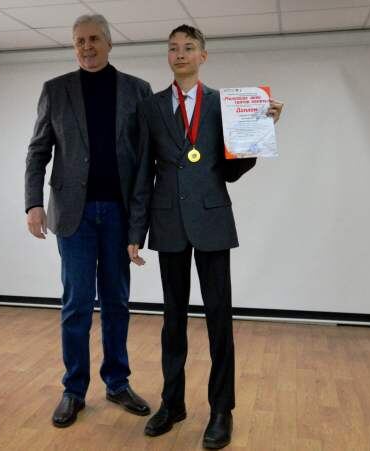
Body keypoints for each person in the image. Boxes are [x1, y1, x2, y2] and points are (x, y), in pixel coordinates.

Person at [127, 25, 283, 449]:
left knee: (219, 320)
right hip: (168, 223)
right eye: (173, 48)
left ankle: (221, 411)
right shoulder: (150, 107)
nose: (180, 54)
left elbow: (230, 171)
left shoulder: (224, 105)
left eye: (189, 47)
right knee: (172, 320)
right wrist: (135, 231)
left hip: (212, 221)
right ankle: (172, 403)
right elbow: (143, 172)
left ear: (203, 56)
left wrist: (260, 131)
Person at [24, 14, 153, 428]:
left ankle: (117, 382)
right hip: (73, 215)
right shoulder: (55, 89)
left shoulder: (137, 90)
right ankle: (74, 389)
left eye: (94, 39)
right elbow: (37, 152)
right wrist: (33, 203)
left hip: (118, 213)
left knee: (116, 302)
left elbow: (146, 162)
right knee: (76, 303)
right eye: (79, 41)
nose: (86, 47)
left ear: (110, 43)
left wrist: (139, 223)